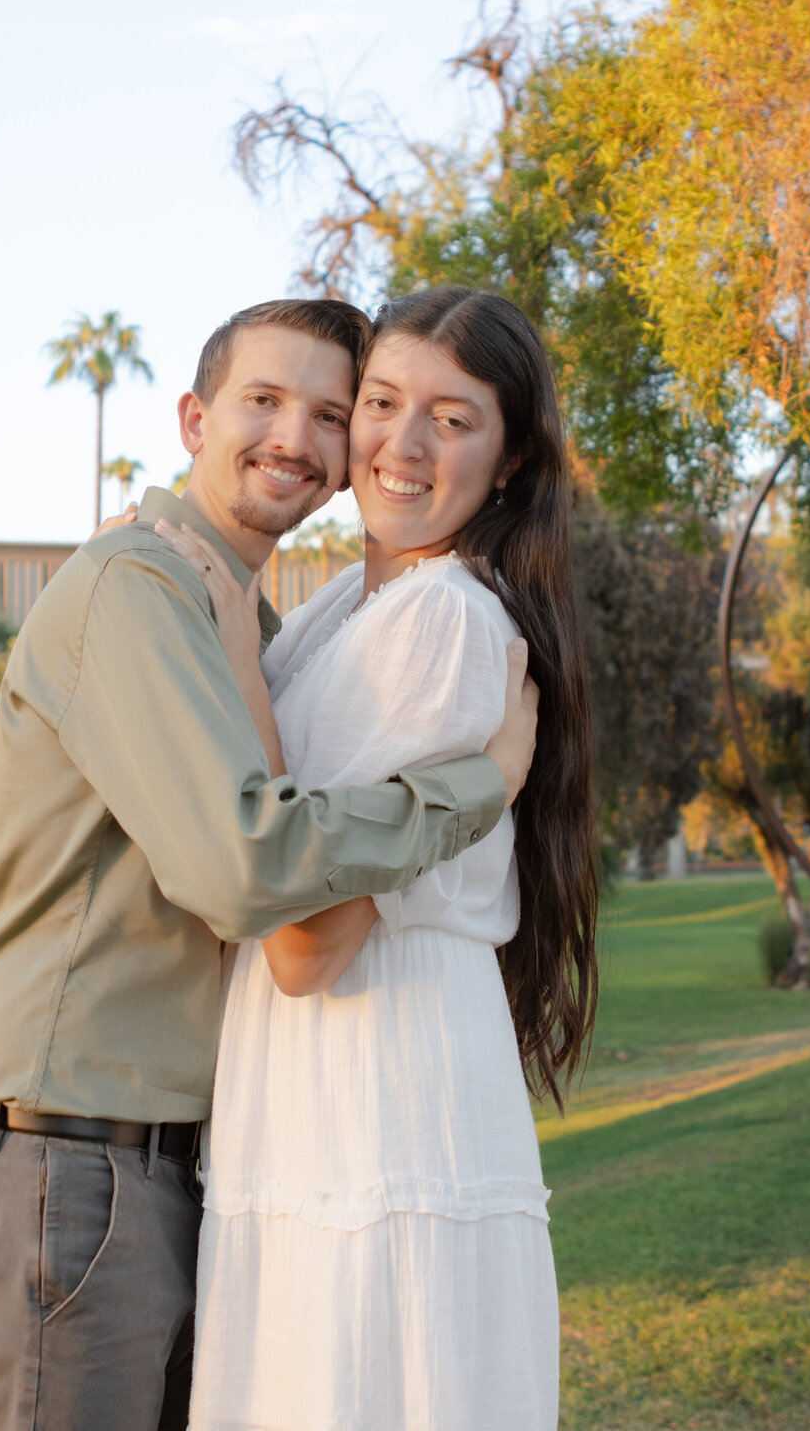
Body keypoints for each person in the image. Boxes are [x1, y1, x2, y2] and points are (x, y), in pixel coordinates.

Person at [0, 297, 538, 1431]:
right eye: (263, 400)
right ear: (195, 418)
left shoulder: (258, 617)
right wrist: (479, 787)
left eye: (328, 412)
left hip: (144, 1168)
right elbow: (252, 874)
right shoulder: (142, 592)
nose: (297, 437)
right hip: (68, 1162)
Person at [156, 286, 597, 1431]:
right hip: (314, 1102)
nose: (402, 444)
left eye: (453, 420)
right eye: (385, 403)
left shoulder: (440, 620)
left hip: (374, 1094)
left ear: (507, 463)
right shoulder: (343, 607)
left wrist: (231, 653)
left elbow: (305, 943)